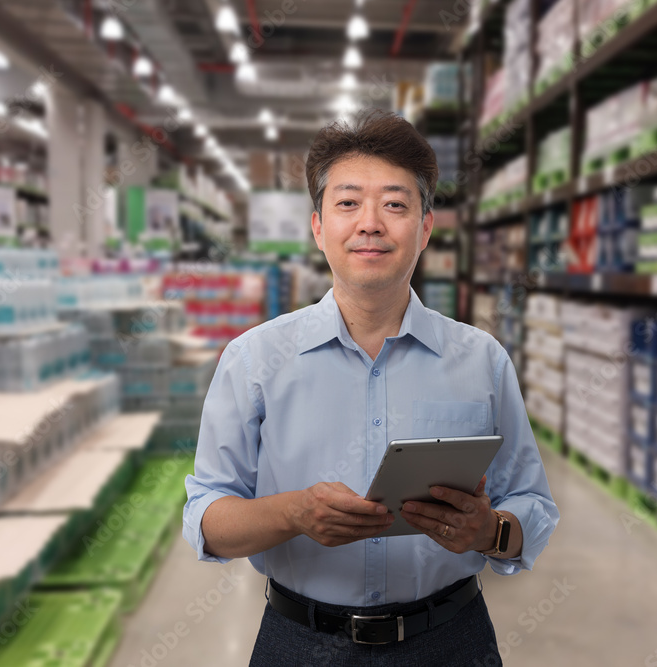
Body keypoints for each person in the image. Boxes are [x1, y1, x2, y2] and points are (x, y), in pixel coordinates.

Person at [183, 109, 559, 666]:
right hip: (298, 644)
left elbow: (532, 507)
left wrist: (487, 531)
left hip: (451, 641)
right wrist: (293, 513)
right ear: (318, 227)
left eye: (396, 204)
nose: (371, 223)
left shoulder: (481, 361)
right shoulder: (254, 360)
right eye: (348, 202)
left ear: (426, 229)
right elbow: (207, 518)